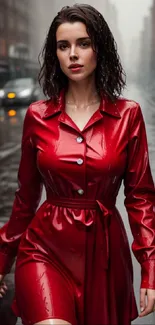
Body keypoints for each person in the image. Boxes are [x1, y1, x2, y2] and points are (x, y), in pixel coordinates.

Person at [0, 3, 155, 325]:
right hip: (45, 249)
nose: (73, 54)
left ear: (100, 49)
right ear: (54, 54)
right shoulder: (38, 116)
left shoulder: (128, 115)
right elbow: (25, 199)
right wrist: (2, 260)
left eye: (83, 43)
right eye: (63, 46)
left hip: (105, 256)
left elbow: (140, 197)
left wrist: (150, 270)